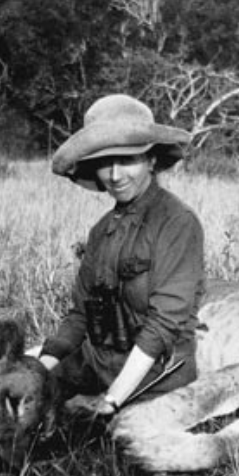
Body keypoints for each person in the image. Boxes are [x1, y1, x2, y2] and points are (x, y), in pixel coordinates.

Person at [39, 94, 205, 423]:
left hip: (156, 376)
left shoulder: (177, 222)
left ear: (152, 160)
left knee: (110, 438)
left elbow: (163, 325)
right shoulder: (101, 231)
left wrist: (111, 400)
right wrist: (40, 370)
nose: (115, 175)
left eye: (127, 160)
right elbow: (79, 316)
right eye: (105, 162)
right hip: (96, 364)